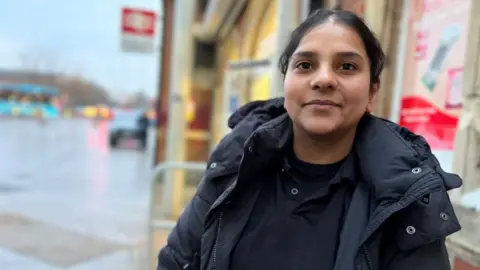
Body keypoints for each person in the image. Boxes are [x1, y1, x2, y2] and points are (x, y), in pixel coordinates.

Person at [157, 8, 462, 270]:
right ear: (286, 82)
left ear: (372, 91)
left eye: (347, 66)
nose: (324, 79)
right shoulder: (235, 166)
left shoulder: (405, 196)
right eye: (305, 65)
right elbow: (175, 261)